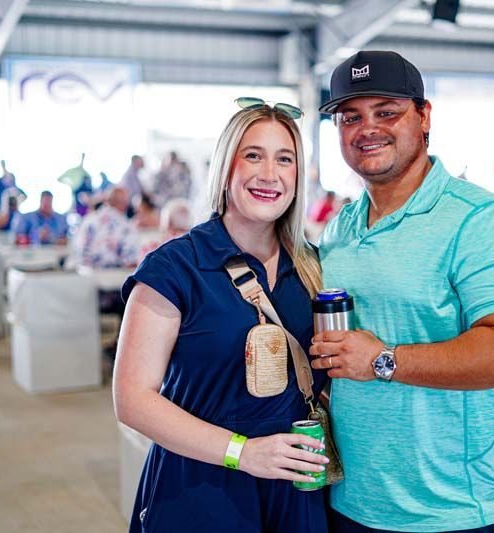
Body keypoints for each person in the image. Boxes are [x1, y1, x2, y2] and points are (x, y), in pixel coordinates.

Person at [313, 50, 494, 533]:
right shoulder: (340, 227)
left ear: (424, 117)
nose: (367, 128)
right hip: (351, 500)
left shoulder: (482, 221)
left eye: (387, 112)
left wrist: (385, 361)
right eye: (350, 117)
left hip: (453, 511)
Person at [113, 102, 329, 532]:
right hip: (202, 485)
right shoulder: (177, 267)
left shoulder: (311, 268)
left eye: (284, 159)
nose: (269, 173)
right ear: (226, 168)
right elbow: (132, 399)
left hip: (296, 488)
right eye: (253, 155)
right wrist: (243, 452)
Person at [72, 187, 139, 269]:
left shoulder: (88, 220)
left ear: (107, 201)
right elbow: (130, 261)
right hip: (116, 276)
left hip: (86, 274)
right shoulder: (125, 225)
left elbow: (77, 249)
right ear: (125, 204)